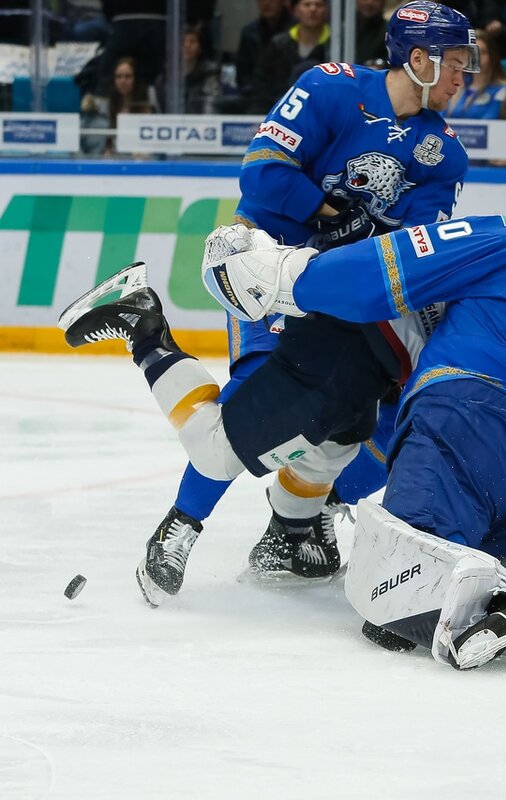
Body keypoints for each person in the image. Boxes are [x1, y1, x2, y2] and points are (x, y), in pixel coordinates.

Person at [60, 200, 506, 669]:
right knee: (220, 448)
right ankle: (144, 323)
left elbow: (394, 268)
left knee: (338, 471)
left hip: (416, 393)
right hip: (363, 360)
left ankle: (300, 539)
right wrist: (287, 275)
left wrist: (294, 274)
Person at [118, 1, 478, 606]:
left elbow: (415, 250)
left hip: (344, 289)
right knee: (258, 397)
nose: (463, 79)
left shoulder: (444, 152)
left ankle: (293, 527)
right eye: (456, 65)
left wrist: (368, 247)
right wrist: (335, 218)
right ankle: (181, 518)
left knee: (368, 421)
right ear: (417, 60)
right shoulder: (329, 88)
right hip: (268, 265)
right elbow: (262, 174)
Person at [249, 0, 332, 115]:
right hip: (279, 111)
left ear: (326, 10)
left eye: (318, 5)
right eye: (307, 4)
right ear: (295, 10)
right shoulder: (278, 43)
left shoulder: (336, 44)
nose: (313, 9)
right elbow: (262, 83)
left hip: (324, 111)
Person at [80, 56, 158, 156]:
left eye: (128, 76)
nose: (123, 81)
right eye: (119, 76)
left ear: (136, 79)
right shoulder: (100, 110)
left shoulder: (147, 111)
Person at [235, 0, 295, 112]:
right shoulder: (249, 32)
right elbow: (243, 72)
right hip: (257, 97)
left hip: (289, 95)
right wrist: (253, 92)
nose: (266, 3)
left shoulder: (296, 30)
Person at [156, 24, 221, 115]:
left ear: (200, 48)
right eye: (183, 42)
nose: (187, 45)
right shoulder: (165, 77)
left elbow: (211, 104)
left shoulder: (209, 73)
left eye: (192, 41)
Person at [444, 27, 506, 119]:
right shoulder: (458, 84)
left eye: (482, 52)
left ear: (492, 56)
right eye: (473, 52)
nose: (477, 57)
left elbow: (489, 122)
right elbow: (444, 116)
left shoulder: (502, 89)